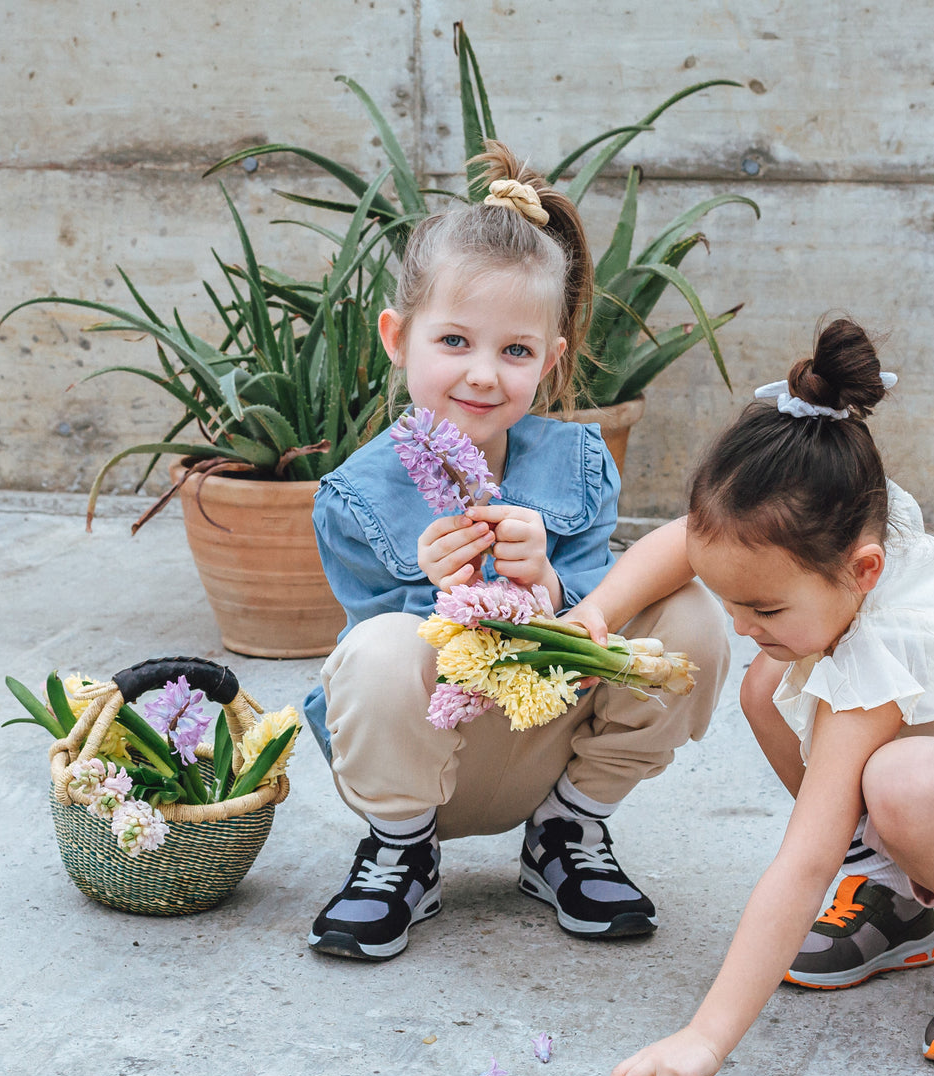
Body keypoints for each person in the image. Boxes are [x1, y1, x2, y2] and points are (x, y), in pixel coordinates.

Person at [566, 317, 934, 1076]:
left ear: (864, 569)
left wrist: (702, 1040)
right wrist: (595, 612)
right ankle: (896, 901)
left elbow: (803, 862)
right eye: (731, 600)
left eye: (762, 604)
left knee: (900, 779)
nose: (737, 622)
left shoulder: (884, 643)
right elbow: (689, 542)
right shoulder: (844, 518)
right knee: (768, 684)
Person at [302, 141, 730, 962]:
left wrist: (549, 583)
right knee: (385, 644)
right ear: (399, 338)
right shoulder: (356, 497)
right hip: (435, 764)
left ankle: (567, 832)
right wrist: (442, 592)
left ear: (552, 361)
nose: (484, 375)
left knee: (688, 617)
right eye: (454, 341)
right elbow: (374, 672)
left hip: (549, 744)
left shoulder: (575, 467)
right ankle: (399, 854)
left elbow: (602, 627)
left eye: (516, 351)